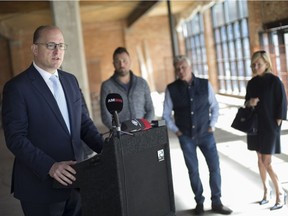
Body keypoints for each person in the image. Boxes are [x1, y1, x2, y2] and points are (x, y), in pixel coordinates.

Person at [1, 25, 103, 216]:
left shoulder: (70, 81)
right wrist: (50, 166)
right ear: (34, 49)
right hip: (40, 188)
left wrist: (108, 149)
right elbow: (15, 138)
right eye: (50, 45)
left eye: (61, 45)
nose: (57, 51)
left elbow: (83, 124)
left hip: (76, 182)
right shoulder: (17, 88)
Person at [163, 55, 232, 215]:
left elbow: (215, 106)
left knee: (214, 168)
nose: (180, 71)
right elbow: (166, 114)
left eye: (183, 67)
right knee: (193, 170)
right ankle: (199, 202)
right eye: (177, 68)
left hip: (206, 134)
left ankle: (217, 202)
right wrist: (177, 131)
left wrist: (212, 125)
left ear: (190, 67)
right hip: (185, 136)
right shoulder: (171, 89)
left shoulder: (204, 84)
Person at [245, 50, 287, 211]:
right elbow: (246, 103)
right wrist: (251, 103)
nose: (256, 67)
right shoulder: (252, 83)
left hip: (270, 127)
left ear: (267, 64)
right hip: (255, 126)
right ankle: (266, 192)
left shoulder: (275, 81)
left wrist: (276, 125)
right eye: (254, 64)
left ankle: (281, 194)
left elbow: (282, 105)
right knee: (259, 160)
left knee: (267, 162)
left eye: (259, 64)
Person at [100, 47, 154, 129]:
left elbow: (150, 109)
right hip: (121, 136)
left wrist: (144, 127)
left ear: (130, 61)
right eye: (118, 61)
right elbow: (105, 115)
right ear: (113, 63)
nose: (122, 65)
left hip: (143, 133)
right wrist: (120, 131)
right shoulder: (107, 86)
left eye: (124, 60)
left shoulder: (142, 83)